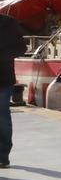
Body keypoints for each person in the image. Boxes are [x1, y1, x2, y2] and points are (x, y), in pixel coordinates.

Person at [0, 12, 27, 168]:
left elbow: (21, 48)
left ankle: (3, 156)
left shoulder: (8, 23)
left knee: (2, 118)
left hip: (2, 80)